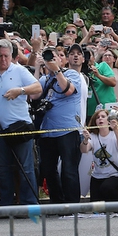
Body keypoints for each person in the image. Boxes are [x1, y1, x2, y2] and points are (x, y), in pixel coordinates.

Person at [0, 39, 43, 206]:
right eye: (0, 56)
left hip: (20, 126)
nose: (3, 60)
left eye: (7, 56)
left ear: (12, 56)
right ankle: (6, 205)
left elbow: (38, 88)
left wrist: (20, 90)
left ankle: (29, 204)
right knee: (3, 170)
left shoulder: (19, 70)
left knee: (26, 168)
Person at [36, 44, 84, 204]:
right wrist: (37, 68)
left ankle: (72, 205)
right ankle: (57, 203)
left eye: (55, 57)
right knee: (48, 170)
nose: (52, 60)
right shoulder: (44, 79)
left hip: (67, 129)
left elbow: (67, 90)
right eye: (49, 58)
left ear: (61, 61)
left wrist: (56, 70)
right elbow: (34, 95)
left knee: (68, 170)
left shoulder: (72, 74)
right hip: (47, 131)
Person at [80, 109, 118, 202]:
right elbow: (84, 149)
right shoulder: (93, 136)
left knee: (106, 187)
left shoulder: (114, 134)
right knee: (95, 206)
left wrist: (115, 128)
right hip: (97, 176)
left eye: (103, 117)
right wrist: (85, 139)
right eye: (97, 117)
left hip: (116, 175)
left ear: (109, 120)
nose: (100, 119)